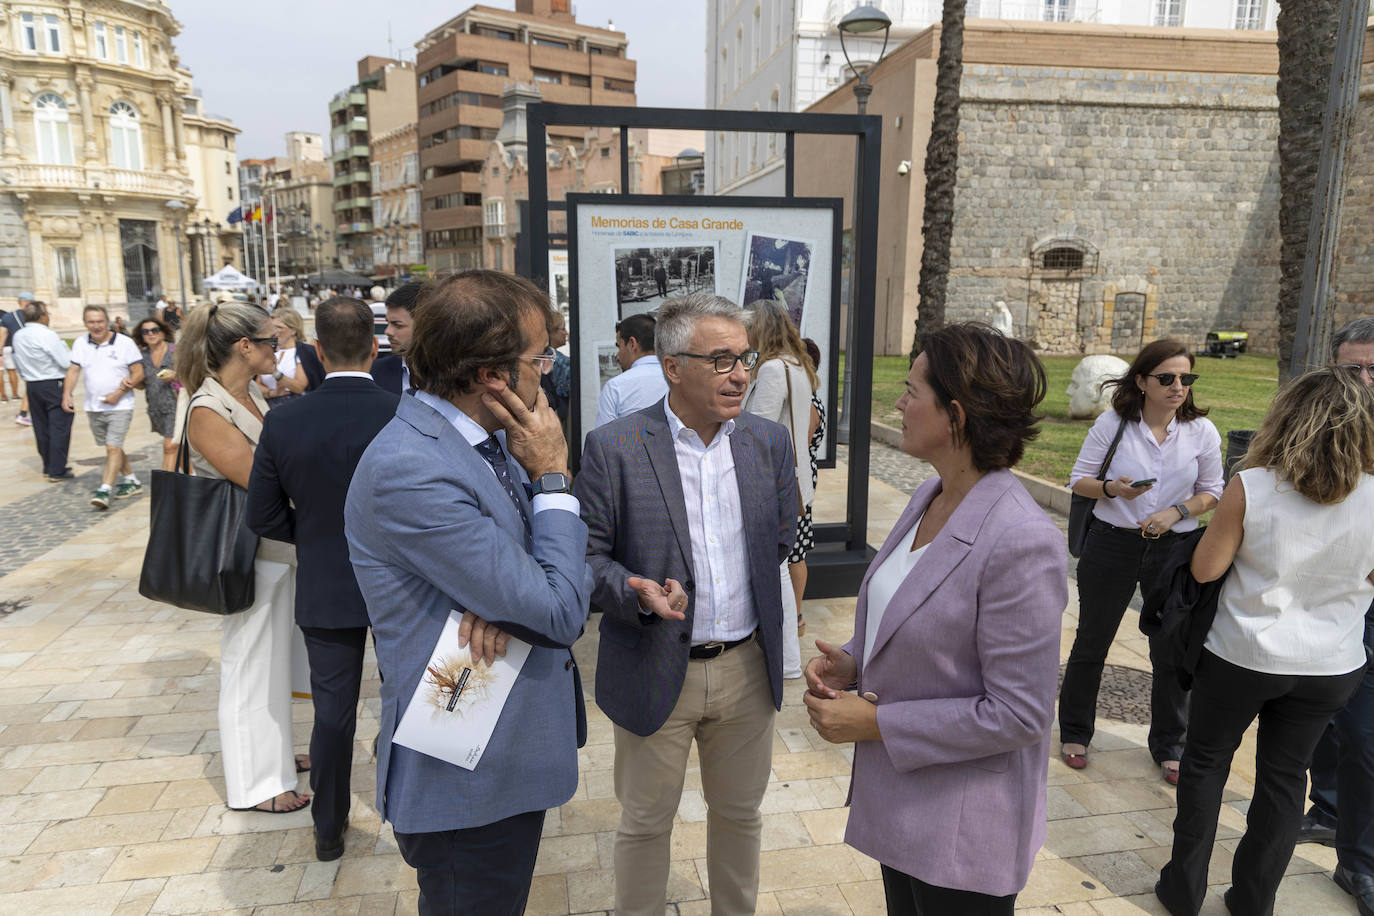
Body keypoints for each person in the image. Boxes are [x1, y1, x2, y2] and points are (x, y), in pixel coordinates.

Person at [345, 270, 592, 916]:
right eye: (542, 356)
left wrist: (521, 590)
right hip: (465, 776)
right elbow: (559, 608)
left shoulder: (486, 443)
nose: (549, 368)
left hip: (501, 758)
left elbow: (557, 580)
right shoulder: (413, 466)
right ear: (493, 375)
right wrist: (555, 478)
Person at [803, 323, 1066, 914]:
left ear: (956, 415)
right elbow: (922, 622)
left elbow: (1019, 714)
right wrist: (855, 660)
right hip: (906, 807)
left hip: (964, 829)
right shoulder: (930, 496)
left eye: (910, 389)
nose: (898, 402)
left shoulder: (1020, 540)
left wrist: (876, 723)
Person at [574, 293, 798, 916]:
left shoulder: (768, 442)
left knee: (740, 816)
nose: (741, 373)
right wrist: (634, 591)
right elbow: (585, 560)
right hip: (652, 663)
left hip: (746, 669)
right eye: (721, 360)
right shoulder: (614, 447)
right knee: (645, 822)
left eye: (745, 358)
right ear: (673, 367)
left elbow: (780, 538)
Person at [1154, 367, 1374, 916]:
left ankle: (1182, 891)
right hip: (1329, 664)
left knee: (1206, 764)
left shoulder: (1252, 485)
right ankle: (1254, 901)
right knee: (1284, 779)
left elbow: (1205, 571)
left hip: (1242, 652)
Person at [246, 296, 398, 861]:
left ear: (314, 349)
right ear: (376, 346)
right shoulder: (403, 412)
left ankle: (328, 827)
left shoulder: (284, 418)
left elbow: (261, 515)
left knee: (333, 715)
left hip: (325, 578)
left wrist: (312, 534)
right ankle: (405, 808)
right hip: (397, 583)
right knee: (403, 700)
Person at [1058, 339, 1223, 784]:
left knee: (1171, 646)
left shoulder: (1201, 432)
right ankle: (1075, 732)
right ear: (1142, 381)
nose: (1178, 387)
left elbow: (1214, 491)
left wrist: (1177, 512)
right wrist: (1114, 489)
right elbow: (1079, 482)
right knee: (1093, 640)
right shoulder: (1114, 423)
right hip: (1112, 543)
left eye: (1186, 379)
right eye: (1166, 378)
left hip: (1173, 549)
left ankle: (1170, 744)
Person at [176, 301, 310, 815]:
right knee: (250, 665)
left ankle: (272, 756)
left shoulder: (248, 393)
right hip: (245, 555)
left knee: (273, 661)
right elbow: (261, 481)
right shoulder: (208, 410)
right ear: (244, 347)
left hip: (275, 551)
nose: (279, 349)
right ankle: (256, 784)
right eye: (272, 341)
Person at [1298, 315, 1374, 910]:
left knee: (1367, 736)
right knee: (1324, 719)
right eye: (1354, 368)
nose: (1367, 380)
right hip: (1324, 599)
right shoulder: (1316, 426)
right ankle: (1327, 805)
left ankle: (1361, 863)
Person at [743, 299, 820, 678]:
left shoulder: (773, 368)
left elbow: (758, 428)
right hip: (795, 476)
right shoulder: (796, 364)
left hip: (775, 480)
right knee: (788, 560)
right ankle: (787, 647)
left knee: (777, 565)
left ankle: (786, 654)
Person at [63, 305, 145, 510]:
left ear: (107, 321)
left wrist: (118, 394)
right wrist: (66, 394)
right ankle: (131, 480)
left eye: (100, 321)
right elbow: (73, 371)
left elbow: (138, 372)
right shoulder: (81, 343)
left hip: (121, 404)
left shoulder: (124, 343)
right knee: (112, 446)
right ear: (85, 323)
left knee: (112, 447)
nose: (96, 326)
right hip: (94, 406)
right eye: (91, 322)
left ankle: (104, 490)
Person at [10, 302, 73, 481]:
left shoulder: (19, 335)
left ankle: (48, 465)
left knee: (41, 427)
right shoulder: (47, 334)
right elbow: (65, 362)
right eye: (47, 313)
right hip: (52, 384)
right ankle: (57, 469)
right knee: (59, 426)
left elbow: (18, 360)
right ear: (41, 316)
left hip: (32, 385)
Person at [594, 313, 668, 428]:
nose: (617, 357)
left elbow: (603, 442)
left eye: (619, 347)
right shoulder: (679, 381)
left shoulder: (615, 387)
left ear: (632, 344)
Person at [132, 317, 179, 471]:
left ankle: (167, 488)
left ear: (163, 333)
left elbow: (194, 373)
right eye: (145, 332)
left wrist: (175, 375)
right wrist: (131, 381)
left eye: (154, 330)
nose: (150, 334)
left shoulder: (175, 350)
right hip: (156, 408)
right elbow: (141, 385)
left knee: (169, 447)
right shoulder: (142, 355)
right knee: (178, 449)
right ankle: (189, 479)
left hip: (176, 404)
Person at [370, 282, 420, 396]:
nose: (387, 331)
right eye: (388, 323)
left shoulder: (456, 376)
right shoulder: (374, 372)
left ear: (424, 325)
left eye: (397, 325)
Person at [257, 307, 308, 406]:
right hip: (266, 406)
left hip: (293, 407)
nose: (274, 332)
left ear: (293, 330)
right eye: (272, 327)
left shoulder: (301, 352)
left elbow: (299, 387)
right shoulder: (269, 351)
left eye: (279, 327)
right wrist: (272, 393)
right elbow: (256, 385)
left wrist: (275, 373)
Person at [1, 294, 31, 424]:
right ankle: (22, 411)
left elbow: (2, 333)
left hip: (14, 352)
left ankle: (5, 397)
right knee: (32, 382)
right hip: (28, 352)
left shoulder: (8, 317)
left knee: (29, 381)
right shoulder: (33, 314)